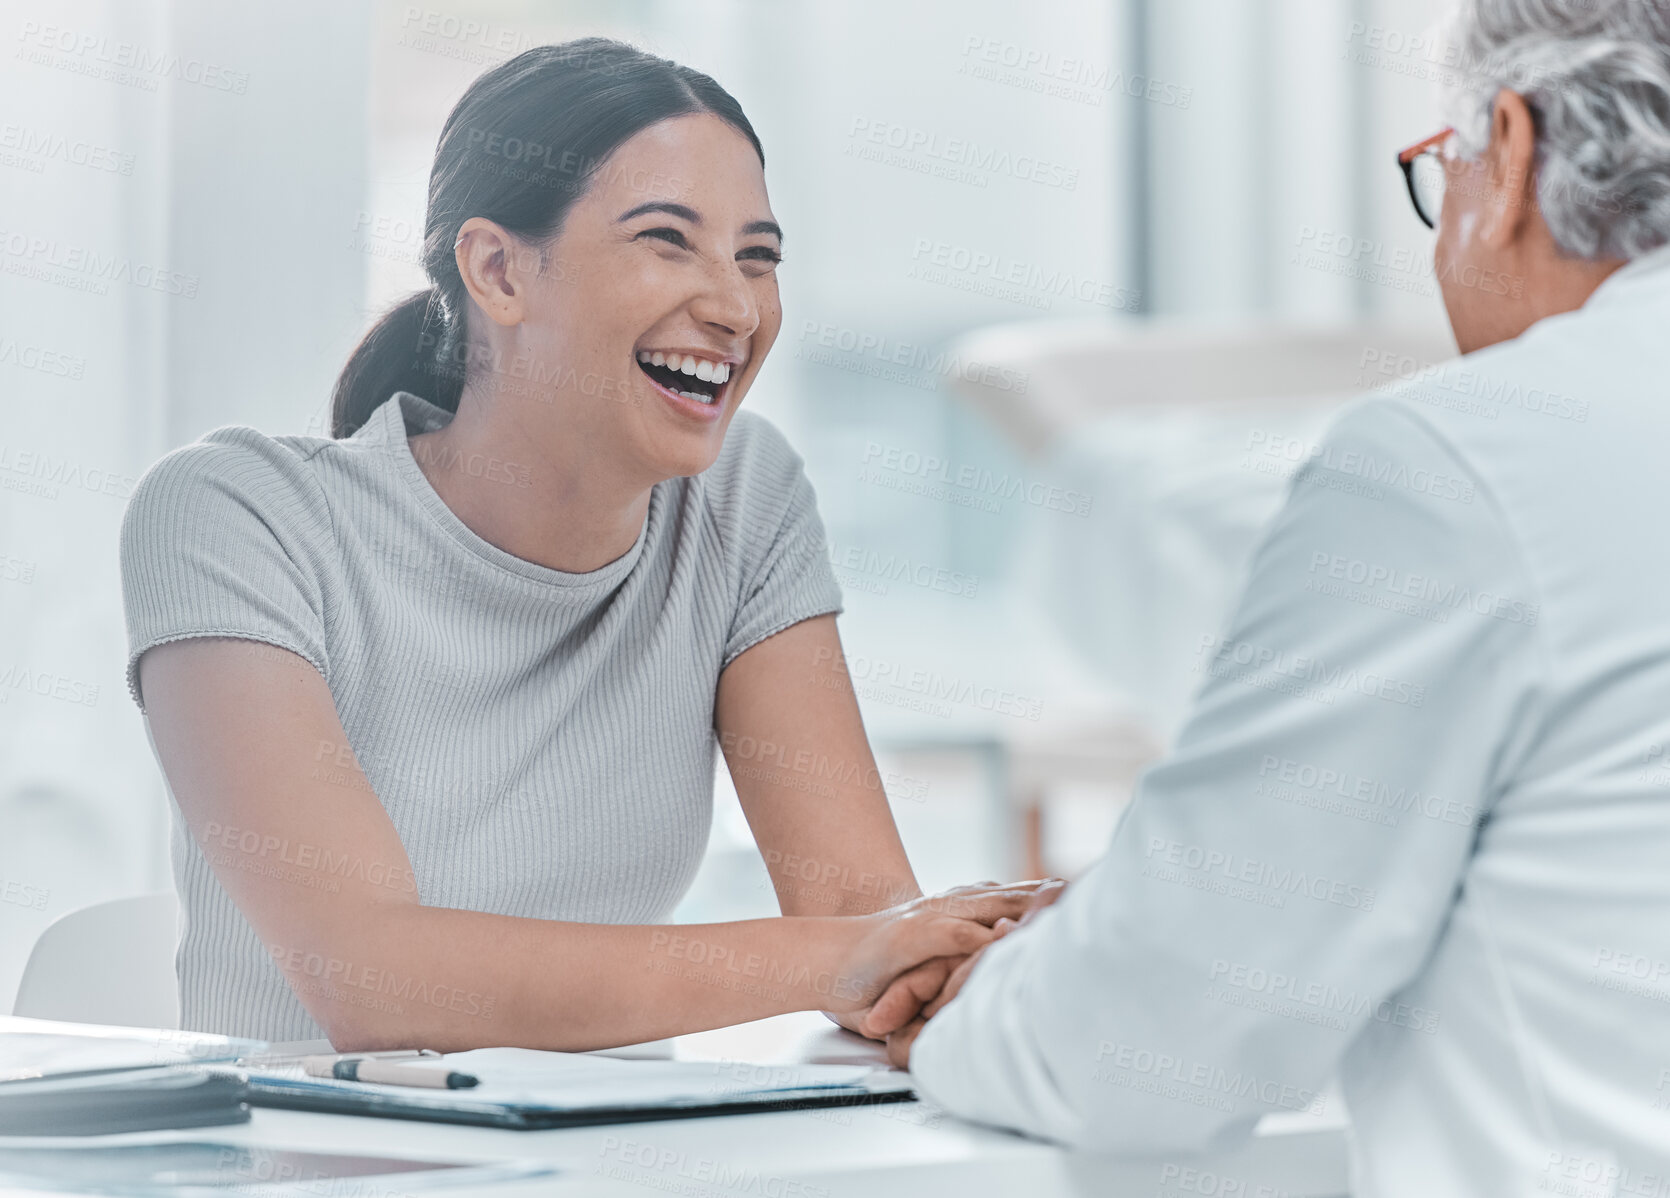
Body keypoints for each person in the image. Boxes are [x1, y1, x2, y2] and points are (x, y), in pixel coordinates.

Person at [883, 0, 1670, 1192]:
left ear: (1508, 153)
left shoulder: (1462, 463)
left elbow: (1141, 1049)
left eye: (1438, 172)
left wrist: (987, 1003)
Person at [118, 39, 1037, 1051]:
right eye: (666, 240)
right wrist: (844, 955)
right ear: (498, 270)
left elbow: (864, 910)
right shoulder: (238, 515)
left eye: (757, 256)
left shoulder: (741, 495)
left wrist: (971, 968)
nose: (734, 306)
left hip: (606, 1152)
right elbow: (370, 978)